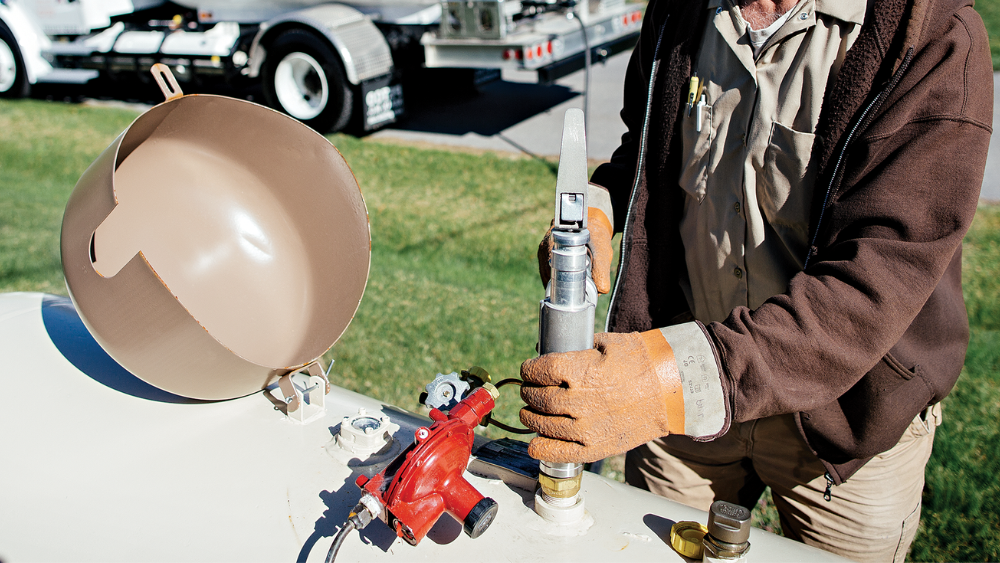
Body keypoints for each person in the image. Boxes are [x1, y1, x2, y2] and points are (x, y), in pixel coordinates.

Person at [519, 0, 992, 561]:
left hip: (842, 426)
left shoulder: (933, 37)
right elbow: (647, 149)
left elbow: (877, 279)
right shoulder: (679, 12)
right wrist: (600, 207)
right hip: (684, 418)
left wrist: (664, 381)